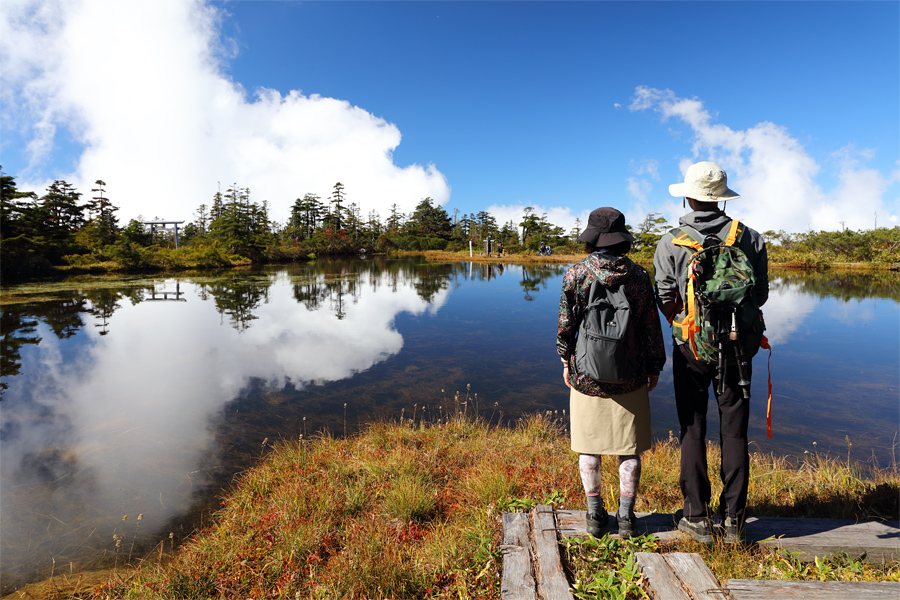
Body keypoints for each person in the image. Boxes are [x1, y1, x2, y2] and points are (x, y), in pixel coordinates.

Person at [653, 161, 769, 544]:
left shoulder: (670, 242)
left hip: (691, 347)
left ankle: (697, 518)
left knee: (693, 429)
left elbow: (665, 298)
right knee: (734, 432)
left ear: (687, 196)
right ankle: (734, 522)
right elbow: (761, 294)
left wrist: (686, 324)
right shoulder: (749, 238)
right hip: (738, 347)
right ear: (720, 199)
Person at [558, 207, 666, 538]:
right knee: (628, 449)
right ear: (622, 239)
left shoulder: (576, 274)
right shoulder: (639, 277)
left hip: (586, 376)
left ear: (592, 238)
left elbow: (566, 326)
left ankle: (594, 517)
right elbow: (651, 328)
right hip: (631, 375)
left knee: (589, 448)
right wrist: (654, 367)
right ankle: (627, 519)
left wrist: (566, 360)